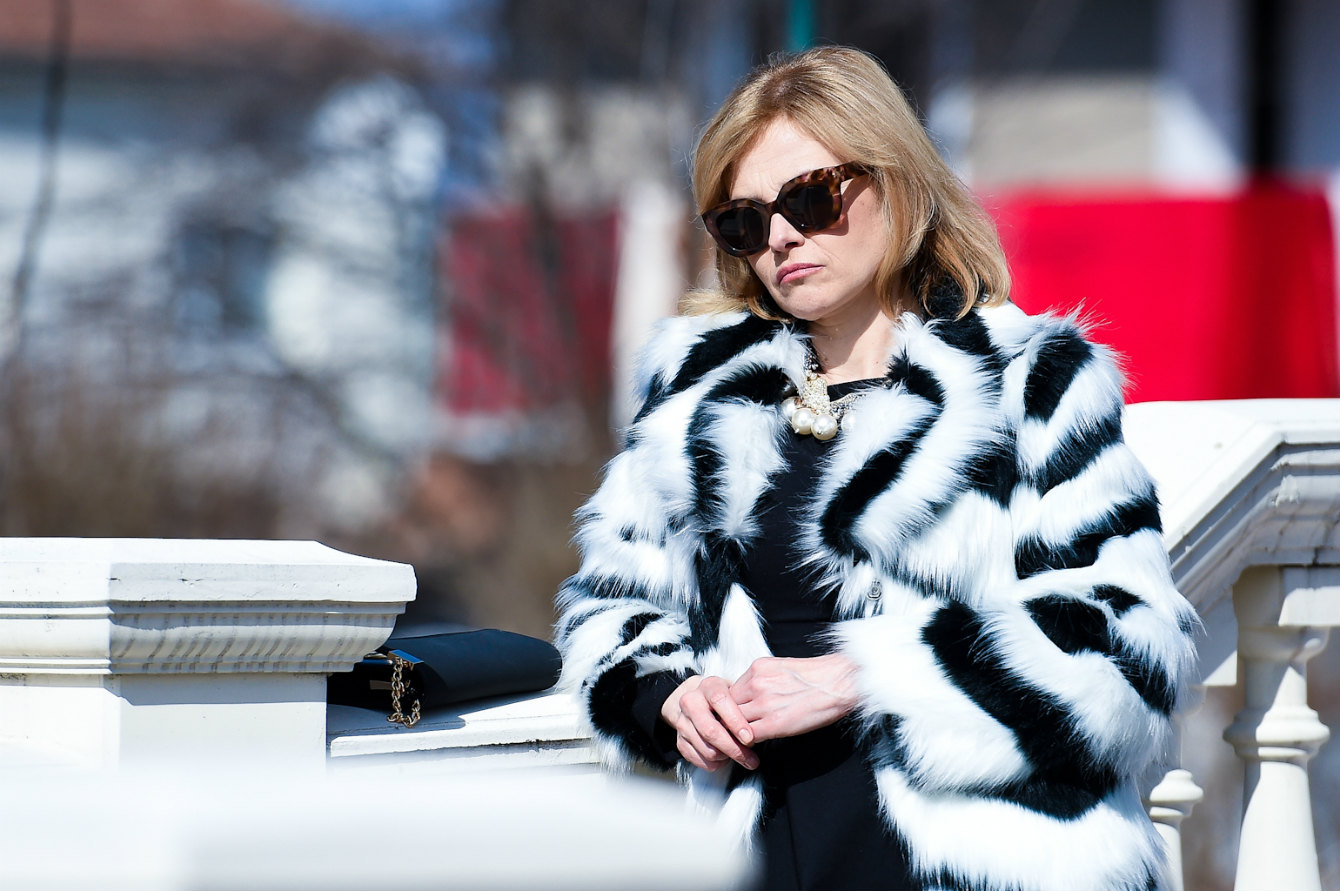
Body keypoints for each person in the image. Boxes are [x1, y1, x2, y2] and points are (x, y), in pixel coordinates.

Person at [555, 45, 1198, 891]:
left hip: (991, 869)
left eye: (810, 198)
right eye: (744, 221)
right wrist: (670, 696)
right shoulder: (695, 400)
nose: (780, 237)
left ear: (894, 181)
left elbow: (1128, 646)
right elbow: (611, 608)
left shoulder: (1028, 382)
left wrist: (870, 677)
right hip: (768, 855)